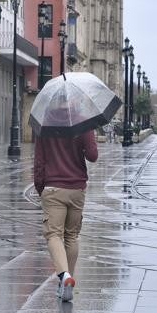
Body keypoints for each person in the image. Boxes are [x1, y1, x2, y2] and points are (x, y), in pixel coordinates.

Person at [34, 127, 98, 302]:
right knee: (71, 236)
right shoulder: (83, 121)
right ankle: (67, 282)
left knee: (53, 234)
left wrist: (39, 185)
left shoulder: (45, 123)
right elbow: (93, 155)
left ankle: (64, 277)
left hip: (53, 186)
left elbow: (39, 159)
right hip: (77, 188)